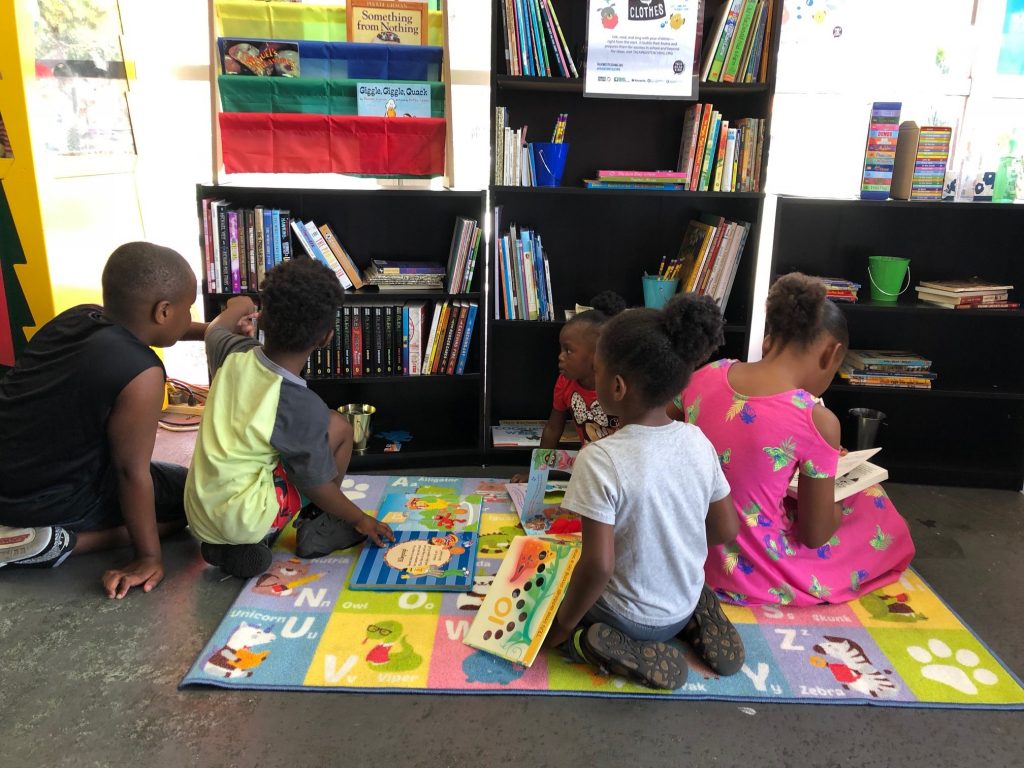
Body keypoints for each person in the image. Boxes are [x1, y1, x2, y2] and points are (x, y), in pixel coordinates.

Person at [670, 273, 915, 607]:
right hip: (758, 572)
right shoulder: (816, 419)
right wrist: (840, 497)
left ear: (769, 339)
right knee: (873, 501)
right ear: (831, 355)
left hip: (692, 547)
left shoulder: (705, 375)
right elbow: (815, 535)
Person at [0, 241, 225, 599]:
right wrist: (148, 556)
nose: (188, 317)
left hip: (13, 477)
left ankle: (30, 532)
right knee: (195, 500)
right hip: (51, 499)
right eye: (188, 309)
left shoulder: (79, 317)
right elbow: (129, 472)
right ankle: (62, 542)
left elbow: (167, 327)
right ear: (164, 311)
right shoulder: (143, 374)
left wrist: (213, 330)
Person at [543, 295, 744, 690]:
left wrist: (561, 626)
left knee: (551, 592)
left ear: (617, 386)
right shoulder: (697, 440)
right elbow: (727, 528)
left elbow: (598, 567)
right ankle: (694, 616)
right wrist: (670, 547)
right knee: (667, 579)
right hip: (682, 598)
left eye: (597, 371)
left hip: (625, 616)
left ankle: (589, 643)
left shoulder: (599, 459)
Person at [185, 258, 393, 579]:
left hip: (199, 513)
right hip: (244, 517)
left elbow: (215, 327)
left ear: (262, 319)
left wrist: (240, 303)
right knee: (339, 428)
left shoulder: (230, 350)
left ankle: (229, 547)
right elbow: (317, 483)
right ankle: (316, 524)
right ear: (325, 338)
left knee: (278, 446)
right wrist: (361, 519)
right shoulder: (300, 405)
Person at [510, 291, 626, 483]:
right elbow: (553, 429)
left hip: (623, 472)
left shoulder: (618, 386)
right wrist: (536, 475)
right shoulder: (565, 382)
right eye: (561, 349)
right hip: (591, 468)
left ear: (597, 354)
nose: (560, 356)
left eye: (568, 350)